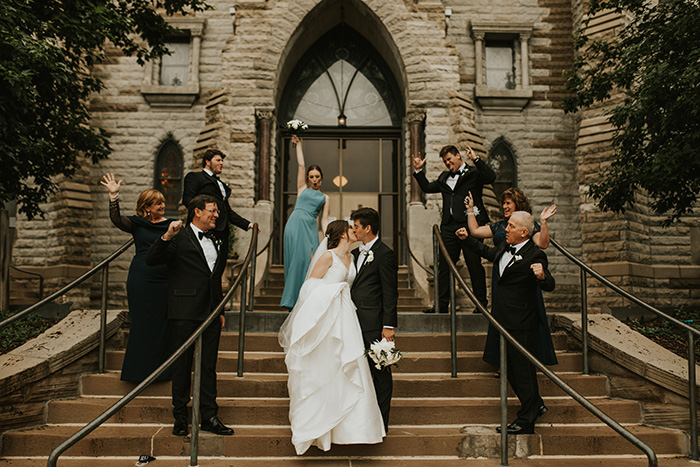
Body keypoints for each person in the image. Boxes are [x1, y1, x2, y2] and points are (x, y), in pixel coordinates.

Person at [279, 220, 385, 455]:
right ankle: (321, 428)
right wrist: (334, 291)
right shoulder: (328, 256)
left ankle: (354, 430)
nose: (355, 230)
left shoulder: (354, 257)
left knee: (350, 363)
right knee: (328, 365)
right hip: (327, 316)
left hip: (348, 316)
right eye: (351, 228)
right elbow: (308, 288)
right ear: (343, 234)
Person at [146, 194, 234, 437]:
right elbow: (151, 259)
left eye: (216, 211)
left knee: (208, 366)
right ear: (197, 212)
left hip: (211, 312)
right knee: (182, 365)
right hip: (184, 311)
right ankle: (180, 416)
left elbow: (214, 278)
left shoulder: (215, 238)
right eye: (212, 210)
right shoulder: (178, 236)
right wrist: (166, 236)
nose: (216, 215)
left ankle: (209, 416)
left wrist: (220, 309)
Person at [460, 211, 555, 435]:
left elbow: (549, 284)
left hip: (522, 323)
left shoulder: (534, 256)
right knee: (509, 369)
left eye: (511, 226)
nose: (506, 229)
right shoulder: (504, 246)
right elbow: (487, 252)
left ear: (524, 232)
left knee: (522, 371)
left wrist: (542, 277)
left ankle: (526, 420)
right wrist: (468, 240)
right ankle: (535, 404)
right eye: (507, 225)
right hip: (501, 322)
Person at [460, 188, 558, 372]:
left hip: (523, 284)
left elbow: (543, 244)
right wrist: (471, 209)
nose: (504, 206)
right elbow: (475, 231)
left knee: (525, 322)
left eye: (508, 203)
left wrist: (543, 223)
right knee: (501, 320)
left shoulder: (528, 226)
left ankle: (527, 362)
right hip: (502, 282)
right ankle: (502, 362)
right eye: (503, 203)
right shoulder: (499, 227)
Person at [100, 173, 171, 382]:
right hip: (141, 279)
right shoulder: (137, 224)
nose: (162, 206)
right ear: (147, 206)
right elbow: (116, 219)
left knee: (162, 323)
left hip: (164, 280)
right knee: (140, 323)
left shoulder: (172, 224)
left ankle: (162, 371)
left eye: (163, 202)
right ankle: (137, 372)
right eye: (157, 203)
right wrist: (114, 197)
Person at [412, 145, 496, 313]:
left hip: (470, 224)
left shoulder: (473, 173)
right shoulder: (444, 177)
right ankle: (442, 305)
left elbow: (490, 177)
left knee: (474, 264)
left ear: (458, 156)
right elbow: (428, 188)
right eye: (445, 161)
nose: (447, 163)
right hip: (449, 226)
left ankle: (480, 304)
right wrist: (419, 170)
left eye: (450, 159)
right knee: (445, 266)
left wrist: (476, 159)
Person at [350, 207, 399, 433]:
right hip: (353, 323)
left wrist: (388, 326)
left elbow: (390, 293)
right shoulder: (354, 254)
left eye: (356, 226)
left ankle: (382, 422)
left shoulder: (385, 253)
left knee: (381, 373)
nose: (354, 230)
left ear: (367, 228)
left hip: (375, 326)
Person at [280, 135, 330, 309]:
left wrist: (329, 238)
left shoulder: (325, 197)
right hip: (295, 225)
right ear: (308, 178)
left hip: (309, 228)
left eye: (317, 176)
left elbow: (324, 221)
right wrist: (298, 145)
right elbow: (301, 165)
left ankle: (306, 298)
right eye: (311, 177)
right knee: (296, 260)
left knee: (310, 261)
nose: (314, 179)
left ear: (321, 178)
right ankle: (290, 301)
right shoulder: (301, 189)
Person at [182, 148, 258, 258]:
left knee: (218, 269)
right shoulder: (195, 177)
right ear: (207, 162)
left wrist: (248, 224)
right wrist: (204, 215)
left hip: (222, 233)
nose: (221, 163)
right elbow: (188, 200)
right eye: (218, 160)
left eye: (222, 161)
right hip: (205, 230)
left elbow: (228, 211)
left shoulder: (221, 184)